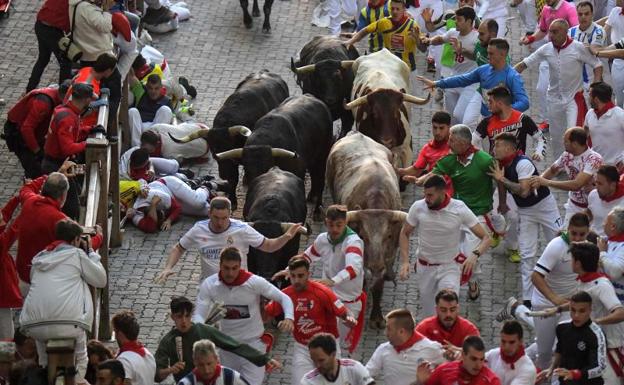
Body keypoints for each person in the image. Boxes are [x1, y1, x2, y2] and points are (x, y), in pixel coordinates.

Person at [409, 124, 504, 299]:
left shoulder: (484, 160)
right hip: (455, 213)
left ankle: (472, 279)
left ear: (462, 143)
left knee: (469, 254)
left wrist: (502, 205)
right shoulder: (450, 160)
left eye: (451, 139)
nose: (448, 141)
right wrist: (418, 180)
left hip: (478, 214)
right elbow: (433, 175)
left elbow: (500, 181)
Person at [19, 219, 107, 384]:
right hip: (70, 323)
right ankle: (78, 380)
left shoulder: (39, 259)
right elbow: (100, 280)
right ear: (75, 240)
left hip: (35, 324)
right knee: (81, 358)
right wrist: (91, 253)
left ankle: (47, 373)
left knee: (44, 357)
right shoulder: (77, 255)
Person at [192, 247, 294, 384]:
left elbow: (284, 298)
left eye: (234, 268)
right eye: (226, 268)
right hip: (226, 346)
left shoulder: (254, 282)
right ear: (220, 265)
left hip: (253, 345)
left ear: (240, 266)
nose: (230, 273)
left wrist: (288, 317)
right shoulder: (209, 284)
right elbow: (199, 313)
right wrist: (198, 329)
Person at [399, 174, 491, 315]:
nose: (426, 199)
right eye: (425, 195)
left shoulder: (459, 209)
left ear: (443, 192)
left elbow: (486, 237)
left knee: (448, 308)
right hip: (425, 268)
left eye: (430, 195)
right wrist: (405, 262)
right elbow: (405, 233)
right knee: (430, 315)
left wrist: (474, 255)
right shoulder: (418, 207)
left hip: (450, 267)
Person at [155, 197, 303, 283]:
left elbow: (268, 246)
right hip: (210, 288)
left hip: (239, 286)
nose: (220, 223)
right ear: (209, 214)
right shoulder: (199, 229)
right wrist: (168, 268)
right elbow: (179, 248)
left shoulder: (242, 229)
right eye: (216, 218)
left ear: (230, 214)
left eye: (224, 218)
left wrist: (286, 237)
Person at [489, 133, 562, 306]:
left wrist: (502, 179)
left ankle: (563, 284)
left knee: (559, 242)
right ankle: (528, 298)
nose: (493, 148)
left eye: (497, 145)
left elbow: (523, 191)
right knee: (527, 253)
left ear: (509, 148)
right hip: (526, 211)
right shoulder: (500, 163)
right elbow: (501, 183)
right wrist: (502, 202)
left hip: (545, 207)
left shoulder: (523, 163)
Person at [515, 19, 603, 158]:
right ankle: (559, 167)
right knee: (556, 137)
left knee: (573, 135)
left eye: (555, 32)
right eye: (550, 31)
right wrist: (506, 77)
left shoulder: (578, 47)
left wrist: (596, 86)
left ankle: (578, 167)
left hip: (573, 99)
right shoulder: (546, 48)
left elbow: (597, 65)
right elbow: (525, 63)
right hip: (553, 100)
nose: (551, 35)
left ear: (565, 32)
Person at [264, 256, 357, 385]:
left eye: (301, 276)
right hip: (303, 348)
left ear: (308, 274)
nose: (296, 280)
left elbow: (343, 313)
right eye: (293, 276)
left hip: (327, 347)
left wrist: (349, 320)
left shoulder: (323, 292)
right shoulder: (285, 295)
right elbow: (266, 314)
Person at [542, 242, 624, 385]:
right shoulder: (584, 281)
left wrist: (596, 322)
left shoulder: (602, 286)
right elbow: (579, 303)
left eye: (572, 259)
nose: (571, 262)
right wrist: (557, 309)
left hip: (610, 347)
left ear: (578, 263)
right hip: (591, 341)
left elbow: (620, 313)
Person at [155, 296, 278, 383]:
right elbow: (157, 375)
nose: (184, 321)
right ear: (172, 317)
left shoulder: (204, 330)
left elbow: (235, 345)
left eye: (187, 316)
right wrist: (170, 370)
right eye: (179, 317)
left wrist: (264, 359)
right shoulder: (168, 341)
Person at [14, 168, 102, 286]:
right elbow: (81, 246)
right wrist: (99, 238)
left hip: (22, 275)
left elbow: (27, 188)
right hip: (44, 278)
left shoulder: (29, 201)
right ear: (62, 196)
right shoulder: (60, 220)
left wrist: (51, 176)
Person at [297, 204, 365, 353]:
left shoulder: (353, 241)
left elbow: (354, 269)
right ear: (326, 222)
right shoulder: (322, 239)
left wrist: (333, 281)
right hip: (328, 300)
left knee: (343, 347)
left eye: (339, 225)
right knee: (328, 342)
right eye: (330, 225)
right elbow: (307, 257)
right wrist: (289, 269)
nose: (334, 229)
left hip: (349, 304)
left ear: (345, 222)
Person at [418, 38, 529, 118]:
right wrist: (436, 83)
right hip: (486, 119)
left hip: (505, 123)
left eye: (491, 53)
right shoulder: (483, 70)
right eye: (487, 53)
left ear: (503, 54)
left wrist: (502, 110)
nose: (488, 56)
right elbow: (462, 79)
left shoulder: (512, 77)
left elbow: (524, 102)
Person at [518, 0, 579, 131]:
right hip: (550, 52)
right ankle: (546, 120)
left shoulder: (569, 9)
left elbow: (576, 31)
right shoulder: (546, 9)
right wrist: (530, 39)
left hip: (567, 56)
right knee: (541, 88)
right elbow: (542, 30)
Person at [42, 82, 96, 220]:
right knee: (70, 206)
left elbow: (72, 134)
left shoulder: (65, 110)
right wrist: (88, 143)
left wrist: (89, 130)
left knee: (74, 195)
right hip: (57, 165)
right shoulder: (68, 118)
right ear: (86, 100)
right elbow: (68, 148)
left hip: (58, 162)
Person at [345, 0, 425, 91]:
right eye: (392, 8)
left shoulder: (413, 26)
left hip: (409, 69)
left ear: (404, 9)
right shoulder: (383, 23)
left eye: (397, 9)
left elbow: (423, 49)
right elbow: (365, 30)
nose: (394, 11)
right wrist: (351, 41)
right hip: (390, 68)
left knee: (411, 101)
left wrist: (417, 40)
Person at [531, 127, 603, 225]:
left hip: (592, 207)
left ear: (575, 144)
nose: (563, 143)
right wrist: (538, 181)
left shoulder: (594, 159)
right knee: (567, 236)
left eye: (565, 141)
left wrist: (546, 182)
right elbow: (553, 170)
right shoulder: (567, 155)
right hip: (573, 206)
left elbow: (576, 185)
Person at [424, 7, 481, 130]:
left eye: (459, 20)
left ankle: (472, 134)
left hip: (470, 84)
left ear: (469, 21)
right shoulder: (453, 32)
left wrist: (462, 51)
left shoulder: (476, 38)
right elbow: (440, 39)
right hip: (453, 79)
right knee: (452, 117)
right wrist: (429, 40)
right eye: (456, 19)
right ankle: (456, 142)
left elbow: (477, 57)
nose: (456, 22)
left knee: (459, 114)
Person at [69, 0, 122, 128]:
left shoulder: (76, 5)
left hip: (89, 53)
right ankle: (107, 128)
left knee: (94, 93)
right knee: (114, 95)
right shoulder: (87, 8)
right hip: (96, 54)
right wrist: (108, 10)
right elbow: (105, 26)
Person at [536, 291, 607, 385]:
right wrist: (551, 368)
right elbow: (560, 350)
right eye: (573, 310)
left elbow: (600, 368)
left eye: (582, 311)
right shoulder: (562, 327)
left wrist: (574, 374)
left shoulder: (596, 334)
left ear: (590, 310)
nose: (576, 315)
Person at [4, 81, 71, 178]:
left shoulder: (52, 97)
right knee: (34, 170)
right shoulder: (43, 103)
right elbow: (26, 129)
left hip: (32, 132)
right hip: (19, 134)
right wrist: (37, 150)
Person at [366, 309, 445, 385]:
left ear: (401, 331)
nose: (385, 333)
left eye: (389, 329)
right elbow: (364, 376)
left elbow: (451, 369)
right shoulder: (383, 349)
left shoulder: (432, 349)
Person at [126, 175, 225, 233]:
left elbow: (177, 207)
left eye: (163, 215)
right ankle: (197, 189)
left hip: (168, 184)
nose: (164, 217)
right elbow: (150, 227)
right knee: (206, 211)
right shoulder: (137, 215)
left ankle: (205, 188)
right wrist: (153, 206)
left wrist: (169, 220)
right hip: (170, 199)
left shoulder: (157, 197)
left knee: (198, 202)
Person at [474, 86, 545, 159]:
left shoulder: (523, 119)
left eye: (490, 102)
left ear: (500, 104)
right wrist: (484, 159)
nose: (488, 105)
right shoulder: (486, 122)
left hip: (517, 167)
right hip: (495, 168)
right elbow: (473, 141)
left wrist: (539, 152)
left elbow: (541, 138)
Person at [397, 111, 452, 195]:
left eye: (441, 128)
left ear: (449, 127)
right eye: (435, 127)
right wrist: (398, 171)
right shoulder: (427, 148)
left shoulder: (455, 145)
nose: (437, 132)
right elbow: (416, 170)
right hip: (435, 193)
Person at [25, 0, 72, 92]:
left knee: (43, 59)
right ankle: (63, 92)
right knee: (65, 61)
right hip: (52, 30)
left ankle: (30, 88)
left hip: (40, 25)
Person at [416, 290, 480, 355]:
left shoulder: (469, 329)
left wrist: (458, 351)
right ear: (436, 309)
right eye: (443, 310)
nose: (448, 314)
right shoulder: (424, 328)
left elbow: (477, 353)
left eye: (452, 310)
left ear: (458, 308)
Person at [415, 336, 501, 385]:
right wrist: (421, 382)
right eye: (473, 359)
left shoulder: (491, 381)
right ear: (463, 355)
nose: (478, 365)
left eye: (481, 359)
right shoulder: (444, 370)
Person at [301, 333, 375, 385]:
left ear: (333, 354)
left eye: (321, 360)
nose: (317, 365)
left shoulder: (354, 368)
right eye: (314, 360)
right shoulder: (308, 381)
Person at [569, 2, 607, 92]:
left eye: (586, 14)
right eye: (580, 14)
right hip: (577, 83)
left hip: (597, 81)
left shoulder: (599, 31)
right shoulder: (570, 32)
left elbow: (595, 49)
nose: (583, 17)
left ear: (592, 15)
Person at [584, 82, 624, 167]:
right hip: (596, 166)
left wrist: (623, 160)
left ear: (596, 99)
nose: (588, 98)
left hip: (617, 168)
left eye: (590, 95)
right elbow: (583, 136)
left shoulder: (620, 115)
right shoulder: (590, 114)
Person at [129, 73, 174, 147]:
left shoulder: (167, 101)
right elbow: (131, 75)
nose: (153, 92)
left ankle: (152, 146)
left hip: (155, 129)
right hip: (139, 127)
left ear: (161, 88)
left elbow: (173, 120)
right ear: (147, 87)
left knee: (166, 110)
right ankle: (136, 148)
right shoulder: (141, 92)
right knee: (132, 111)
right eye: (150, 88)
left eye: (156, 88)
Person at [485, 321, 536, 385]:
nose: (507, 347)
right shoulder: (492, 355)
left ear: (520, 341)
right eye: (503, 341)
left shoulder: (527, 370)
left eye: (511, 342)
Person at [112, 310, 156, 385]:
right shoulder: (148, 354)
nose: (115, 336)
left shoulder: (124, 361)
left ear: (120, 334)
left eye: (115, 332)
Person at [178, 340, 250, 385]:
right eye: (201, 365)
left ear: (216, 360)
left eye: (209, 364)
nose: (206, 370)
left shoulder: (232, 378)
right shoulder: (186, 383)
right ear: (194, 362)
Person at [587, 166, 624, 237]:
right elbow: (590, 212)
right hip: (593, 240)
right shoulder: (593, 194)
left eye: (600, 184)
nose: (596, 186)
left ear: (612, 185)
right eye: (596, 183)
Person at [599, 208, 624, 303]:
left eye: (605, 221)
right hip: (609, 299)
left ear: (613, 226)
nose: (603, 224)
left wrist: (602, 253)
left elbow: (615, 272)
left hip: (620, 304)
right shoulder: (609, 241)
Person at [604, 5, 624, 106]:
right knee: (618, 96)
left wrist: (599, 52)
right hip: (618, 61)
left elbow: (621, 44)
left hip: (616, 52)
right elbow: (604, 31)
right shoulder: (615, 11)